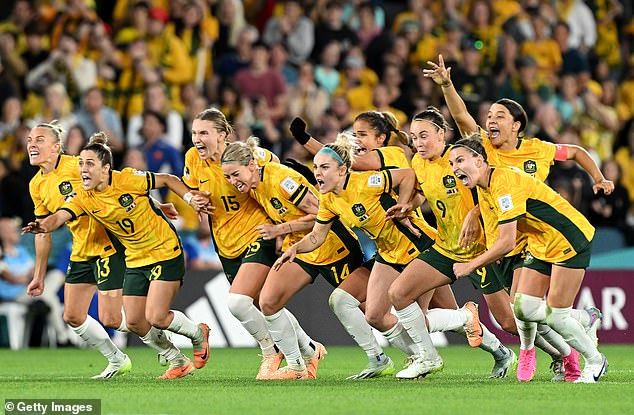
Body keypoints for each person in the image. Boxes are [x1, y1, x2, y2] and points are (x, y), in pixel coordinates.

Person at [425, 54, 610, 381]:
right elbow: (460, 115)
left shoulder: (537, 151)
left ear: (517, 125)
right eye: (489, 115)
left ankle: (584, 357)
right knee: (520, 312)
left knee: (551, 313)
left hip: (547, 236)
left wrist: (598, 177)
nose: (490, 120)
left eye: (499, 115)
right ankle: (570, 331)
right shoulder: (483, 150)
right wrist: (447, 85)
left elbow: (578, 153)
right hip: (519, 237)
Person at [23, 132, 211, 380]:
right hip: (114, 253)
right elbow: (61, 215)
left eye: (89, 164)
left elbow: (158, 182)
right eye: (81, 164)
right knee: (120, 320)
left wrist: (186, 198)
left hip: (146, 249)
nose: (82, 169)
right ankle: (162, 358)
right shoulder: (70, 193)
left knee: (149, 316)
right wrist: (44, 226)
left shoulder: (122, 177)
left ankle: (193, 338)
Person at [221, 138, 394, 379]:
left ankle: (399, 352)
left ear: (251, 165)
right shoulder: (254, 184)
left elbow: (322, 215)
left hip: (332, 246)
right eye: (228, 177)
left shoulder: (282, 180)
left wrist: (280, 230)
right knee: (269, 302)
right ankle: (296, 366)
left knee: (372, 311)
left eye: (235, 174)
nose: (232, 182)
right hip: (301, 249)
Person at [273, 133, 439, 370]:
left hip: (418, 246)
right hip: (388, 253)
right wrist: (295, 250)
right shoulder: (329, 199)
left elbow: (407, 175)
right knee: (360, 309)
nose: (317, 173)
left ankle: (477, 333)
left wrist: (403, 206)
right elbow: (318, 236)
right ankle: (382, 360)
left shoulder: (366, 183)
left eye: (324, 167)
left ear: (342, 171)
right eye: (316, 167)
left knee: (423, 315)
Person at [449, 136, 608, 384]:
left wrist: (470, 264)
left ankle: (596, 361)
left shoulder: (503, 184)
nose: (455, 167)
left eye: (460, 160)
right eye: (451, 163)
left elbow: (507, 242)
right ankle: (586, 319)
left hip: (568, 237)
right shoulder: (486, 186)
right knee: (523, 308)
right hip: (541, 242)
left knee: (556, 316)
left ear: (480, 161)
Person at [385, 107, 516, 379]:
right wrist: (408, 205)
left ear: (441, 134)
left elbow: (496, 186)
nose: (419, 143)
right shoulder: (419, 164)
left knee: (510, 322)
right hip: (444, 248)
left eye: (424, 136)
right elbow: (425, 192)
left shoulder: (459, 158)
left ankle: (568, 342)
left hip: (480, 250)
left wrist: (475, 212)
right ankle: (429, 357)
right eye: (414, 137)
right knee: (398, 294)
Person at [184, 107, 305, 380]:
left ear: (223, 134)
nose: (196, 138)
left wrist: (281, 223)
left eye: (204, 132)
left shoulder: (245, 155)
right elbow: (189, 186)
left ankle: (270, 351)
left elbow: (273, 167)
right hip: (225, 243)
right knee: (267, 306)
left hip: (258, 234)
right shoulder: (193, 158)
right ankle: (309, 349)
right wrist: (194, 198)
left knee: (238, 302)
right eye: (194, 132)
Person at [25, 121, 130, 378]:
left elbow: (116, 186)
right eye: (29, 139)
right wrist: (39, 276)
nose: (31, 144)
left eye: (39, 139)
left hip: (108, 243)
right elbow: (43, 232)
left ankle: (168, 338)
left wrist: (156, 206)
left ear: (56, 148)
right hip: (82, 249)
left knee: (114, 319)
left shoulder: (77, 165)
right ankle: (116, 359)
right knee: (72, 315)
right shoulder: (36, 185)